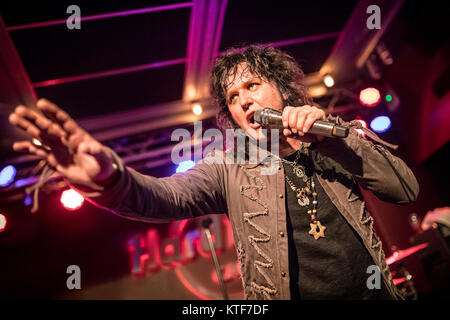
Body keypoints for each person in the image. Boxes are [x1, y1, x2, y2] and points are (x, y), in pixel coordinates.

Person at [8, 45, 419, 300]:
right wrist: (108, 176)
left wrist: (332, 138)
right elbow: (161, 196)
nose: (243, 101)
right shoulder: (229, 165)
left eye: (252, 86)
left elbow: (405, 189)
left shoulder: (331, 137)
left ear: (281, 89)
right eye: (233, 97)